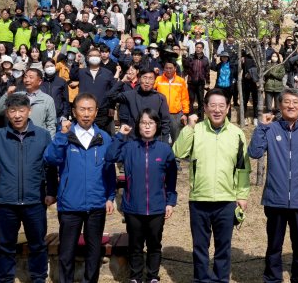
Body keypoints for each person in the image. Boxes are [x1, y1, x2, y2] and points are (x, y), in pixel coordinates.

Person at [0, 95, 58, 283]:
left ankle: (38, 278)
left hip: (34, 201)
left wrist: (51, 191)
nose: (17, 115)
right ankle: (4, 279)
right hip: (7, 201)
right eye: (12, 111)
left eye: (21, 110)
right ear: (7, 113)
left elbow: (50, 166)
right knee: (6, 246)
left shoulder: (42, 135)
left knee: (38, 245)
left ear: (29, 111)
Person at [173, 89, 251, 283]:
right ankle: (201, 279)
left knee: (223, 246)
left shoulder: (237, 134)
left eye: (221, 106)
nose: (217, 110)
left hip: (226, 200)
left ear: (227, 108)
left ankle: (220, 279)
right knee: (200, 246)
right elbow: (178, 152)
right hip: (199, 199)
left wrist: (242, 195)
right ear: (205, 108)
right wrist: (189, 127)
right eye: (212, 106)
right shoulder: (196, 130)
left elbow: (243, 168)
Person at [248, 88, 298, 283]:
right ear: (280, 105)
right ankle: (272, 278)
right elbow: (255, 153)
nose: (291, 106)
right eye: (287, 102)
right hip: (275, 199)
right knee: (274, 245)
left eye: (295, 103)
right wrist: (261, 127)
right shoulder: (271, 128)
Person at [44, 93, 117, 283]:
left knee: (93, 252)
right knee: (66, 252)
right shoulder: (65, 136)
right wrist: (62, 135)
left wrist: (110, 196)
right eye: (82, 109)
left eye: (90, 109)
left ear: (96, 112)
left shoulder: (104, 138)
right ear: (74, 112)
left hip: (96, 204)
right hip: (70, 204)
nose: (86, 114)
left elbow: (110, 170)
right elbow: (51, 159)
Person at [105, 110, 178, 283]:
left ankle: (153, 276)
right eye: (143, 122)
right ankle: (135, 277)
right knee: (135, 245)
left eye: (151, 122)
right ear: (138, 125)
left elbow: (171, 179)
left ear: (157, 125)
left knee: (154, 244)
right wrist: (120, 136)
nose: (147, 126)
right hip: (133, 206)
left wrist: (170, 202)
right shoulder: (129, 147)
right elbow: (110, 156)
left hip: (157, 207)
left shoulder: (164, 150)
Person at [0, 68, 58, 138]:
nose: (27, 80)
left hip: (38, 139)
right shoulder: (17, 96)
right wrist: (7, 94)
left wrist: (49, 143)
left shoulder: (47, 99)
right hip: (16, 138)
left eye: (31, 77)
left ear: (39, 81)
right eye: (25, 77)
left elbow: (51, 124)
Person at [114, 67, 171, 142]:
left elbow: (165, 122)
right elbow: (110, 96)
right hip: (133, 140)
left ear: (154, 81)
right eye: (144, 78)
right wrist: (122, 81)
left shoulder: (160, 98)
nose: (147, 81)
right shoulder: (131, 95)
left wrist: (164, 142)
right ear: (139, 79)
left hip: (153, 141)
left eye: (150, 78)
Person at [155, 59, 190, 142]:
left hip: (176, 114)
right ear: (164, 69)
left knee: (176, 137)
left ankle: (175, 154)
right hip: (161, 114)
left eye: (171, 68)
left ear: (175, 68)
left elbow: (185, 98)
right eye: (166, 68)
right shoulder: (158, 79)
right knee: (161, 137)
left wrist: (185, 113)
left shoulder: (180, 81)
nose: (168, 70)